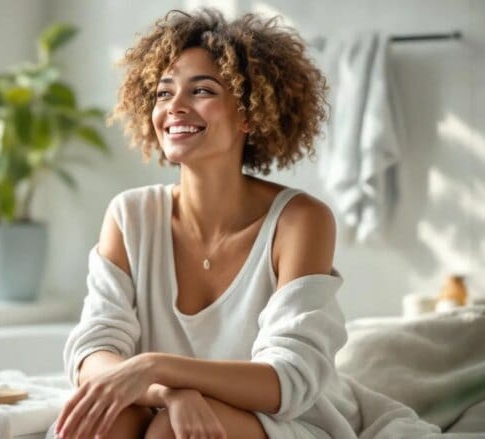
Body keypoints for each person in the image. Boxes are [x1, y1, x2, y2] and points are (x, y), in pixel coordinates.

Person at [55, 8, 439, 439]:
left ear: (249, 113)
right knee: (101, 424)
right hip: (165, 405)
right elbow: (93, 352)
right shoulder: (129, 216)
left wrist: (155, 366)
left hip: (288, 420)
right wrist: (171, 392)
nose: (175, 106)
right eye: (164, 93)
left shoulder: (299, 221)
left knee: (169, 433)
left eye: (201, 90)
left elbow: (288, 381)